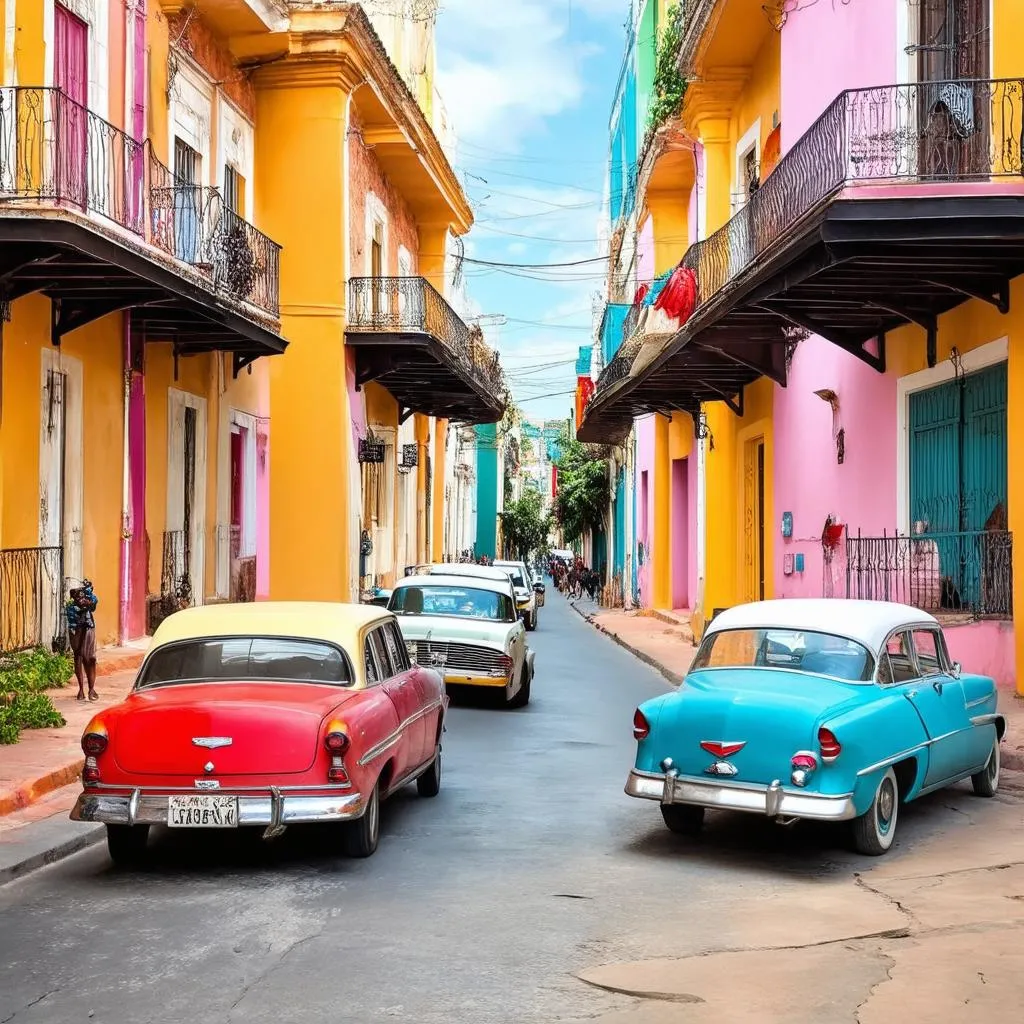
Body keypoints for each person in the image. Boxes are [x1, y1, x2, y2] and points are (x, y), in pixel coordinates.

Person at [67, 580, 99, 702]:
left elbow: (94, 602)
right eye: (78, 598)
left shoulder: (88, 604)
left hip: (89, 631)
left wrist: (89, 590)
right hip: (77, 632)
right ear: (74, 598)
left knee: (90, 658)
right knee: (78, 657)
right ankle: (81, 689)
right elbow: (73, 622)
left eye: (82, 597)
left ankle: (91, 689)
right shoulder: (72, 608)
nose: (81, 600)